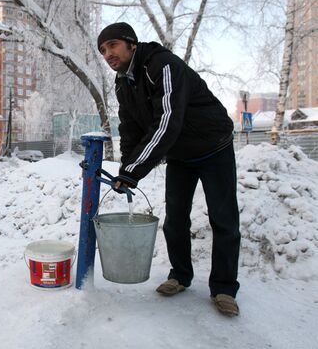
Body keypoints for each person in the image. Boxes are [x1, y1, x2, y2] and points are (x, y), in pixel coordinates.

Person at [97, 22, 241, 316]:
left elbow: (167, 122)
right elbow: (130, 129)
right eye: (102, 50)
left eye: (112, 45)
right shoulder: (123, 82)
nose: (107, 54)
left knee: (223, 219)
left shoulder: (162, 65)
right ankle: (180, 276)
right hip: (181, 155)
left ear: (131, 44)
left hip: (214, 146)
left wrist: (134, 171)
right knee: (175, 219)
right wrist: (127, 168)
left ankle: (224, 288)